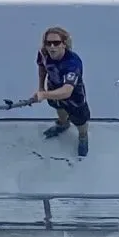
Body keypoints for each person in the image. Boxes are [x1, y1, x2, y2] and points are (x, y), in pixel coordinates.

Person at [33, 25, 90, 156]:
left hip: (74, 98)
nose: (52, 47)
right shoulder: (43, 53)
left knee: (80, 120)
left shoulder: (72, 63)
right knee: (59, 109)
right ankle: (63, 124)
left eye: (56, 43)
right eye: (48, 43)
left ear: (64, 44)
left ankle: (83, 136)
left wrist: (44, 94)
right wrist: (41, 86)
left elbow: (67, 91)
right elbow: (42, 67)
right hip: (53, 89)